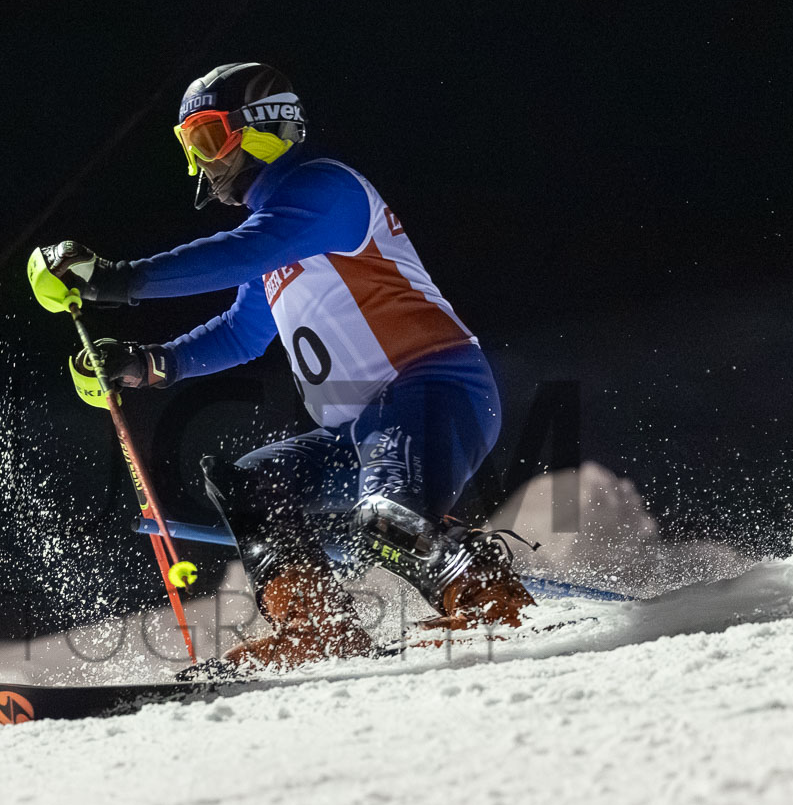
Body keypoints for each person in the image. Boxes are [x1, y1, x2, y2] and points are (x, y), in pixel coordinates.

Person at [29, 62, 531, 671]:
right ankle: (318, 629)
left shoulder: (324, 188)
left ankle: (492, 604)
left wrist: (114, 281)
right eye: (189, 147)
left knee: (385, 518)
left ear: (264, 127)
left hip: (436, 392)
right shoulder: (276, 236)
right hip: (358, 431)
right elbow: (243, 332)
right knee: (249, 482)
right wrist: (147, 364)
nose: (201, 163)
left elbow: (244, 251)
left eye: (208, 139)